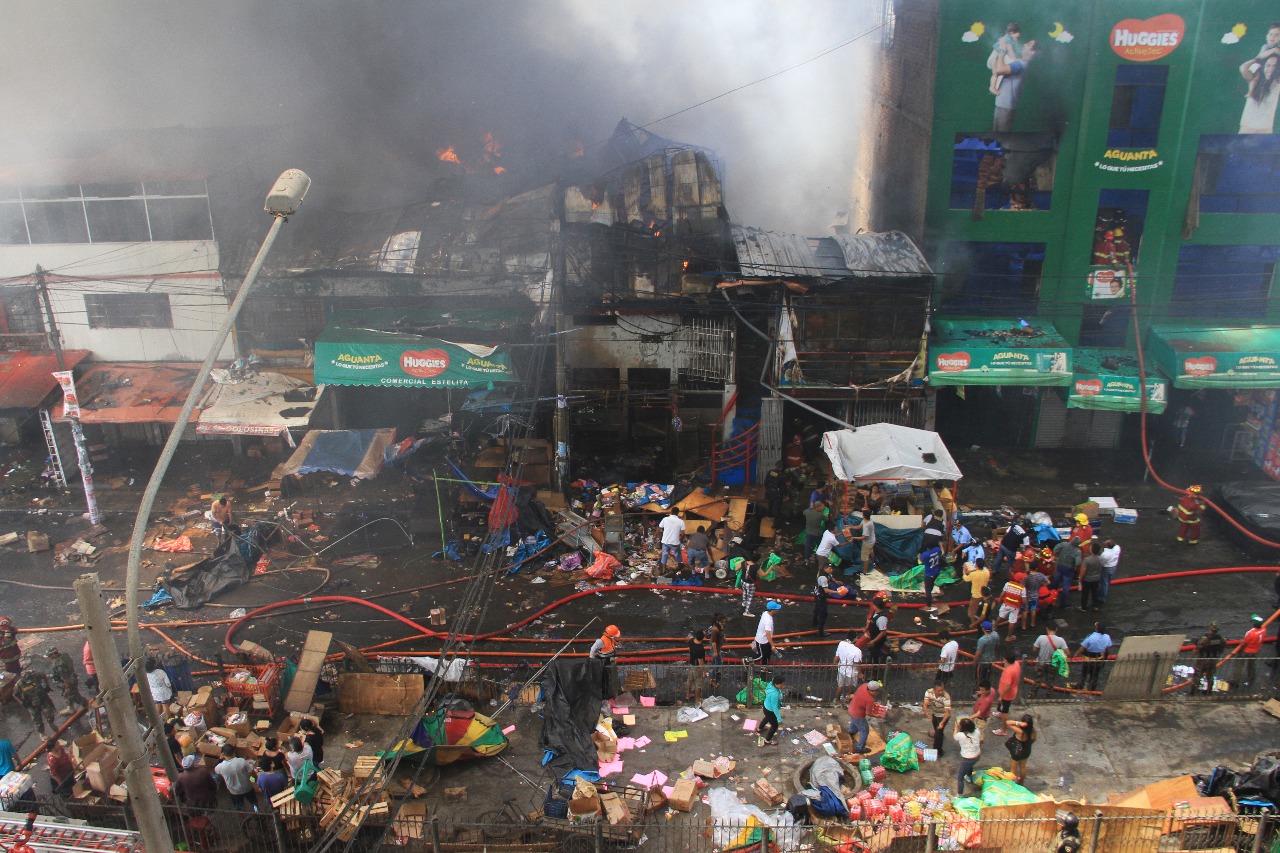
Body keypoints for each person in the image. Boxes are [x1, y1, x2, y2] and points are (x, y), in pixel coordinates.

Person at [990, 23, 1037, 131]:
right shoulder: (1019, 62)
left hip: (1005, 108)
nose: (1025, 44)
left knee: (1000, 141)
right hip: (1002, 106)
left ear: (1032, 52)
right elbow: (1011, 57)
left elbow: (999, 70)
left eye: (1029, 45)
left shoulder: (1020, 65)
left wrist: (1002, 50)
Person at [1240, 48, 1280, 134]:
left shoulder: (1277, 84)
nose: (1271, 69)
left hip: (1265, 129)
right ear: (1263, 66)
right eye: (1268, 65)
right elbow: (1243, 68)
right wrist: (1258, 58)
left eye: (1274, 66)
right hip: (1247, 127)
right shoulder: (1254, 79)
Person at [14, 666, 56, 736]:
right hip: (31, 704)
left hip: (42, 699)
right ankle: (42, 734)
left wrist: (47, 686)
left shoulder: (36, 675)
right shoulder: (19, 684)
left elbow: (44, 676)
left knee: (49, 714)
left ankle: (51, 723)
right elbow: (15, 694)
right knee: (37, 720)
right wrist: (22, 703)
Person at [215, 743, 256, 811]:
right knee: (254, 802)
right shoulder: (242, 761)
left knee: (239, 807)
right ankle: (257, 812)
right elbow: (252, 772)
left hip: (234, 791)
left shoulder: (220, 767)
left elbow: (216, 770)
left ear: (223, 754)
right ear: (234, 752)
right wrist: (254, 780)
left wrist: (220, 759)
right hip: (247, 787)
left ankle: (243, 818)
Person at [46, 648, 86, 715]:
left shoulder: (59, 664)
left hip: (69, 682)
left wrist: (67, 687)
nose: (49, 657)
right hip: (73, 677)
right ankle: (70, 708)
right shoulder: (65, 655)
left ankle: (88, 706)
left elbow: (65, 677)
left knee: (75, 696)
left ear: (54, 654)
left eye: (50, 655)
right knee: (68, 695)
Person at [1075, 622, 1113, 692]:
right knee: (1095, 675)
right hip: (1099, 660)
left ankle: (1079, 687)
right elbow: (1107, 648)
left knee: (1084, 674)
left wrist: (1076, 654)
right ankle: (1092, 689)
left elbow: (1082, 648)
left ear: (1096, 628)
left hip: (1088, 659)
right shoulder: (1107, 637)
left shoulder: (1091, 637)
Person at [1190, 621, 1226, 695]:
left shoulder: (1205, 638)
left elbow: (1197, 648)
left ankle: (1192, 692)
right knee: (1210, 676)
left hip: (1203, 659)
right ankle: (1209, 692)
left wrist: (1192, 656)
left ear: (1210, 628)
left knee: (1197, 675)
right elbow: (1222, 648)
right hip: (1213, 660)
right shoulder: (1221, 639)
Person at [847, 680, 882, 754]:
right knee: (865, 730)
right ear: (871, 691)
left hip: (851, 708)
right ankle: (860, 748)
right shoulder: (870, 699)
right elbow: (868, 713)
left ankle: (851, 732)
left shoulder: (864, 686)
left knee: (854, 721)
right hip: (858, 714)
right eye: (876, 691)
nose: (878, 693)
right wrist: (876, 716)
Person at [1032, 626, 1068, 696]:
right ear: (1056, 629)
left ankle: (1032, 695)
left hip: (1041, 663)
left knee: (1037, 680)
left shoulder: (1041, 637)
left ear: (1047, 629)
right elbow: (1067, 653)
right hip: (1052, 663)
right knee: (1050, 681)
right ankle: (1049, 695)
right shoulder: (1060, 640)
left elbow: (1034, 649)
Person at [991, 651, 1021, 735]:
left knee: (1005, 711)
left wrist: (1001, 696)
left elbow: (1007, 685)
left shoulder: (1008, 671)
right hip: (1012, 691)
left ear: (1006, 660)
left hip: (1007, 694)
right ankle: (1000, 714)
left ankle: (1003, 730)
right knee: (1004, 707)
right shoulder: (1016, 664)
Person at [922, 679, 952, 757]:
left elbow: (947, 713)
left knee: (939, 733)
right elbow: (925, 704)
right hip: (935, 713)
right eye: (939, 690)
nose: (941, 692)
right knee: (935, 725)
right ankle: (936, 733)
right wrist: (925, 711)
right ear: (934, 690)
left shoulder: (946, 697)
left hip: (943, 716)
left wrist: (942, 723)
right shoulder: (929, 692)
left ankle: (938, 751)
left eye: (942, 690)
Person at [954, 716, 982, 796]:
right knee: (970, 766)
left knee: (960, 777)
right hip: (977, 755)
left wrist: (956, 727)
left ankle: (960, 794)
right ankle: (969, 776)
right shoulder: (977, 731)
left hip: (967, 758)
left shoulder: (960, 735)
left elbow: (955, 737)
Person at [1236, 615, 1266, 688]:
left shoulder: (1250, 633)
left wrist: (1240, 643)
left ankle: (1235, 680)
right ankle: (1251, 678)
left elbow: (1244, 643)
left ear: (1254, 623)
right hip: (1255, 650)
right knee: (1252, 665)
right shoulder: (1263, 629)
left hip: (1246, 650)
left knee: (1239, 665)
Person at [1005, 714, 1036, 784]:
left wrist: (1018, 723)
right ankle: (1021, 781)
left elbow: (1007, 722)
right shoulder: (1033, 730)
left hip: (1017, 752)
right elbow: (1034, 739)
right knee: (1023, 767)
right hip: (1026, 750)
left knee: (1013, 769)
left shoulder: (1020, 731)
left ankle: (1012, 784)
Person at [1052, 537, 1082, 608]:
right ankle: (1063, 602)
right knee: (1066, 586)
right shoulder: (1077, 551)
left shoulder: (1064, 544)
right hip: (1069, 569)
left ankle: (1051, 596)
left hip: (1060, 566)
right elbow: (1078, 563)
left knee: (1055, 582)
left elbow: (1055, 549)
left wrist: (1056, 557)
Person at [834, 628, 862, 701]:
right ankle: (849, 699)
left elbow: (836, 657)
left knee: (840, 686)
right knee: (851, 687)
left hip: (841, 669)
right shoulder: (857, 651)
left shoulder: (841, 644)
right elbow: (857, 664)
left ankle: (837, 700)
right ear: (855, 638)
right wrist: (860, 674)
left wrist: (835, 664)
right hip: (851, 673)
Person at [996, 573, 1025, 641]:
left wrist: (999, 600)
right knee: (1012, 621)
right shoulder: (1022, 588)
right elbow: (1024, 601)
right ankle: (1009, 636)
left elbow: (1002, 594)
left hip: (1006, 604)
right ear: (1021, 580)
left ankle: (994, 627)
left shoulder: (1008, 584)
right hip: (1015, 607)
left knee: (1000, 616)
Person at [758, 675, 785, 746]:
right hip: (770, 710)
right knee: (774, 725)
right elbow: (774, 708)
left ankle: (760, 728)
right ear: (776, 684)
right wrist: (779, 719)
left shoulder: (771, 684)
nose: (783, 686)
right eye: (781, 685)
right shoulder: (775, 694)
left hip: (766, 706)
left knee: (767, 718)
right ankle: (768, 740)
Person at [1078, 542, 1104, 612]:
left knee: (1085, 594)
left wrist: (1080, 578)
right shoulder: (1101, 559)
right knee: (1095, 593)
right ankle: (1095, 606)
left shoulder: (1087, 560)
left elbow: (1083, 570)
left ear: (1091, 550)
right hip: (1096, 579)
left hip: (1087, 579)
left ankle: (1083, 607)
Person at [753, 601, 781, 666]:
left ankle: (764, 669)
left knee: (767, 655)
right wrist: (773, 645)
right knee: (761, 656)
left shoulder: (765, 613)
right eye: (776, 609)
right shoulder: (768, 620)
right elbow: (767, 633)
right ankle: (747, 661)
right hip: (762, 641)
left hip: (766, 640)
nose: (777, 610)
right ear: (772, 610)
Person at [920, 540, 944, 614]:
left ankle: (928, 605)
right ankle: (929, 595)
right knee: (930, 584)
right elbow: (942, 552)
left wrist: (919, 557)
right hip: (936, 571)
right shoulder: (937, 550)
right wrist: (941, 545)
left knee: (927, 588)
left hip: (929, 573)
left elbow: (920, 562)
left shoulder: (925, 554)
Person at [1022, 562, 1048, 630]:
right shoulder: (1040, 575)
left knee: (1024, 611)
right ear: (1036, 568)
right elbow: (1048, 582)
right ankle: (1032, 624)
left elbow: (1022, 586)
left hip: (1027, 596)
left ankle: (1023, 626)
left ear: (1029, 568)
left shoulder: (1026, 577)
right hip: (1036, 596)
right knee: (1033, 610)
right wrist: (1041, 585)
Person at [974, 620, 999, 686]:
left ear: (983, 629)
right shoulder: (995, 635)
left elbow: (978, 652)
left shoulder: (982, 640)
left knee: (979, 677)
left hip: (983, 661)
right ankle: (985, 687)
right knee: (987, 675)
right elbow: (997, 645)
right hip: (991, 659)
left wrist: (974, 661)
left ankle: (980, 689)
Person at [813, 563, 834, 638]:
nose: (831, 570)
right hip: (820, 596)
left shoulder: (827, 574)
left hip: (818, 594)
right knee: (823, 614)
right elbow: (826, 590)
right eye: (829, 568)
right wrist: (838, 592)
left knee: (817, 608)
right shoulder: (823, 578)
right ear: (825, 569)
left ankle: (814, 622)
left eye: (831, 568)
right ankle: (821, 632)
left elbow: (831, 577)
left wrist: (836, 581)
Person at [1098, 539, 1121, 604]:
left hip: (1106, 569)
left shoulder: (1105, 555)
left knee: (1103, 584)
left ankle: (1101, 598)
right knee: (1107, 581)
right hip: (1113, 567)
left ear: (1107, 546)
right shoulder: (1117, 548)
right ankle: (1103, 594)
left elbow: (1101, 562)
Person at [685, 629, 706, 702]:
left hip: (691, 663)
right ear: (702, 638)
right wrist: (704, 671)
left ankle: (688, 694)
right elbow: (700, 661)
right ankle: (697, 698)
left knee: (690, 679)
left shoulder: (691, 641)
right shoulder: (700, 649)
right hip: (697, 666)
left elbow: (689, 650)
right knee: (698, 682)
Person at [709, 613, 726, 688]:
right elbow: (713, 642)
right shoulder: (714, 630)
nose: (724, 623)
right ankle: (712, 678)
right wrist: (715, 651)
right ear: (718, 621)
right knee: (719, 662)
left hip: (718, 647)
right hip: (716, 648)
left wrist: (723, 638)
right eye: (722, 622)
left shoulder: (719, 626)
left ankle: (713, 671)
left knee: (714, 661)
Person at [858, 508, 877, 573]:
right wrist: (850, 526)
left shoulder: (867, 525)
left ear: (864, 516)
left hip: (867, 542)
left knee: (865, 557)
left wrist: (853, 537)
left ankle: (865, 571)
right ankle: (874, 562)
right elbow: (859, 527)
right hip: (872, 540)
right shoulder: (867, 520)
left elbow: (864, 537)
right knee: (871, 551)